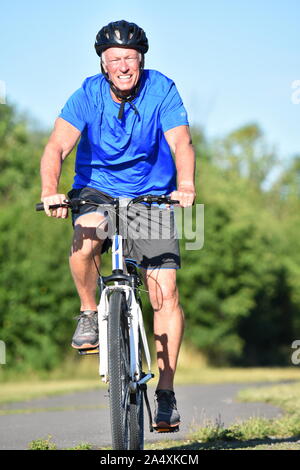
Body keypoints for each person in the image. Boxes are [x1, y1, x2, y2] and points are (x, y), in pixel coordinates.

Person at [39, 20, 196, 432]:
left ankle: (165, 393)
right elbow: (57, 145)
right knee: (86, 237)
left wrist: (185, 185)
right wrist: (50, 189)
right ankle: (89, 312)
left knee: (164, 289)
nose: (124, 66)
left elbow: (181, 141)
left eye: (130, 58)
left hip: (152, 196)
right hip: (97, 189)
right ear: (103, 64)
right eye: (115, 59)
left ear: (141, 59)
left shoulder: (161, 88)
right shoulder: (88, 94)